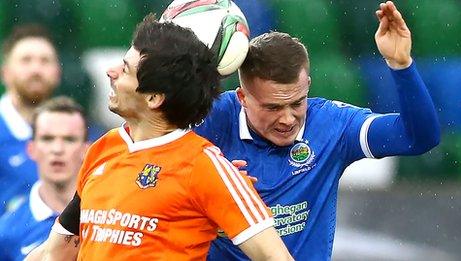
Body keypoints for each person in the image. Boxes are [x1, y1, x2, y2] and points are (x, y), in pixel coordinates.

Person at [25, 14, 293, 260]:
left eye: (126, 69)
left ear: (154, 98)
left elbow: (274, 256)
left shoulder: (205, 166)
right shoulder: (104, 148)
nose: (111, 72)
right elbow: (55, 252)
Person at [196, 1, 441, 260]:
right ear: (242, 97)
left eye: (297, 102)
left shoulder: (331, 125)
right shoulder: (208, 119)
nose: (288, 119)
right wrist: (206, 179)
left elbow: (419, 138)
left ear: (308, 85)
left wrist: (401, 65)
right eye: (273, 107)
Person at [0, 96, 89, 260]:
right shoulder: (6, 232)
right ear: (31, 148)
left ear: (86, 149)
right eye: (47, 139)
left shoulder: (106, 218)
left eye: (69, 139)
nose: (57, 149)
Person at [0, 24, 61, 215]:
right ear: (5, 73)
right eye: (26, 60)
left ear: (58, 73)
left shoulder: (76, 131)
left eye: (45, 61)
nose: (36, 69)